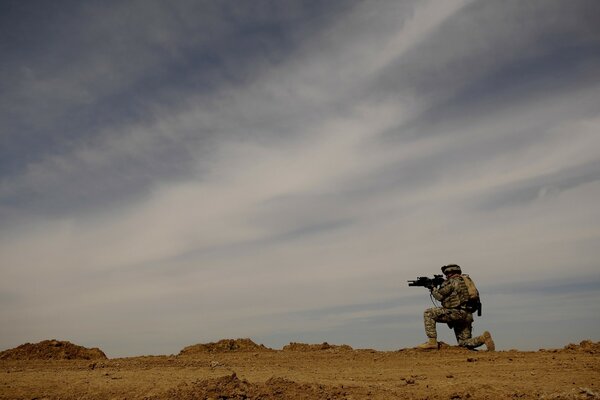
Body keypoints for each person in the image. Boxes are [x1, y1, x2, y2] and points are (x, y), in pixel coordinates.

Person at [417, 264, 495, 351]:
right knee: (464, 343)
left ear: (450, 273)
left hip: (456, 313)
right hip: (467, 315)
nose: (446, 276)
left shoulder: (452, 282)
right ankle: (483, 338)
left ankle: (432, 342)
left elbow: (440, 296)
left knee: (428, 313)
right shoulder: (467, 282)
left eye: (447, 273)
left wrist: (432, 287)